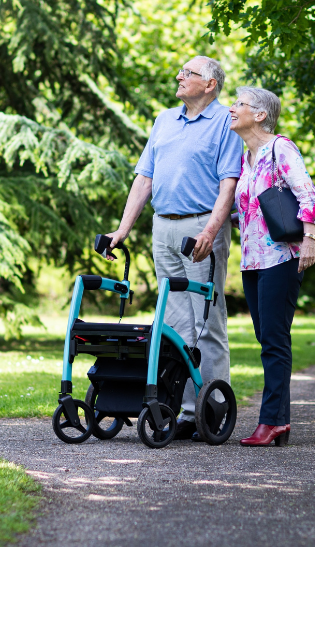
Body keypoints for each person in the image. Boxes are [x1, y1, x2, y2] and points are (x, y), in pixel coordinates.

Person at [104, 55, 244, 437]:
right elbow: (144, 179)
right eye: (181, 71)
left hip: (200, 226)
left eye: (188, 73)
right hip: (163, 226)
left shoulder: (225, 122)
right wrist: (122, 230)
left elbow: (228, 185)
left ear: (210, 84)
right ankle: (183, 412)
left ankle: (212, 412)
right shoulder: (164, 119)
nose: (179, 76)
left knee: (206, 322)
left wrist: (210, 232)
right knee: (173, 324)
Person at [229, 86, 315, 447]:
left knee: (274, 340)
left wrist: (309, 239)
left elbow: (306, 193)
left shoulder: (281, 148)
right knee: (267, 338)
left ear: (260, 114)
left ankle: (271, 422)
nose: (232, 109)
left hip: (282, 258)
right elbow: (246, 211)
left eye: (239, 104)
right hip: (252, 261)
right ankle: (279, 421)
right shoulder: (245, 158)